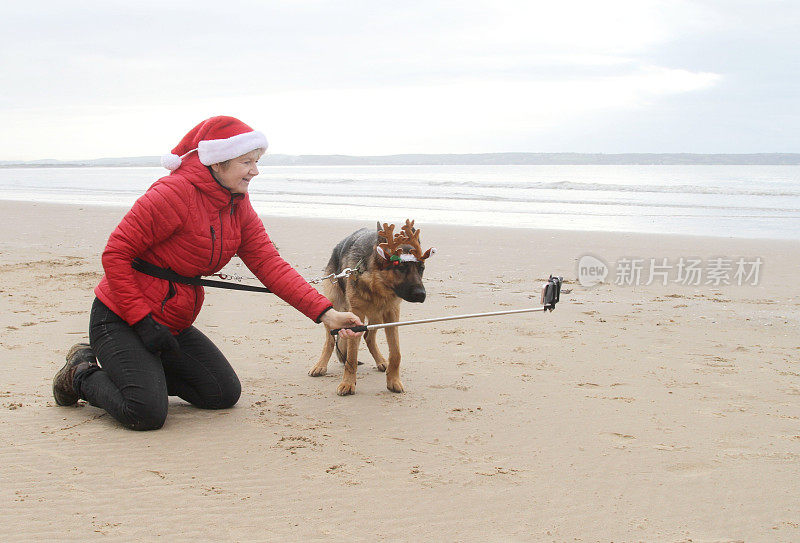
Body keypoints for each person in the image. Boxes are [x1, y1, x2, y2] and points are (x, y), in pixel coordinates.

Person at [52, 116, 363, 430]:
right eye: (246, 162)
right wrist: (142, 321)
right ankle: (81, 373)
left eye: (256, 161)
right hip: (120, 317)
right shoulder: (173, 193)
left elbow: (269, 264)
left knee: (221, 393)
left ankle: (144, 376)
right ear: (218, 163)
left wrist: (327, 314)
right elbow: (115, 254)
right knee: (145, 413)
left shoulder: (237, 203)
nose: (255, 170)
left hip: (171, 322)